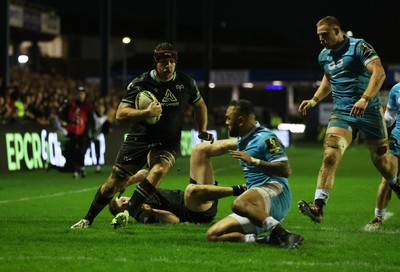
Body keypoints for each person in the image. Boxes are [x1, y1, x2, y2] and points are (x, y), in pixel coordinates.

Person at [71, 42, 213, 229]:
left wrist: (202, 128)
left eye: (171, 61)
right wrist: (146, 112)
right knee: (112, 185)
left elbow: (200, 105)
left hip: (167, 141)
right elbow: (120, 115)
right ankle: (87, 219)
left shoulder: (186, 83)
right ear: (155, 62)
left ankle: (127, 211)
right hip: (139, 139)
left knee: (159, 169)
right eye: (163, 62)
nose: (168, 65)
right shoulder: (140, 83)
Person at [297, 16, 398, 223]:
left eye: (324, 35)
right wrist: (315, 100)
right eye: (318, 36)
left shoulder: (359, 47)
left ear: (337, 31)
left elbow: (378, 73)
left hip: (369, 111)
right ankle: (318, 206)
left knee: (383, 164)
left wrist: (364, 98)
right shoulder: (324, 56)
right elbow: (328, 78)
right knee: (330, 154)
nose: (321, 39)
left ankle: (396, 184)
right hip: (342, 112)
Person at [206, 100, 303, 249]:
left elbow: (286, 170)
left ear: (240, 121)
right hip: (258, 203)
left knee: (239, 203)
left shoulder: (267, 139)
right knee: (213, 235)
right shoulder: (242, 140)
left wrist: (254, 161)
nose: (226, 122)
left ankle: (284, 234)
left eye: (228, 118)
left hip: (276, 191)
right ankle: (268, 240)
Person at [109, 139, 246, 224]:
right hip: (195, 211)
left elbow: (146, 174)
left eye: (122, 199)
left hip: (201, 199)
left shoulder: (139, 194)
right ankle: (242, 189)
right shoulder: (140, 214)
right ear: (122, 212)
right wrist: (151, 210)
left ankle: (248, 140)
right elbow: (175, 220)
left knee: (200, 149)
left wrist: (127, 182)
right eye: (123, 205)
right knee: (191, 189)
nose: (126, 201)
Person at [365, 82, 400, 230]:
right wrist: (377, 121)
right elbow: (390, 117)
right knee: (388, 177)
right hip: (398, 138)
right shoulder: (396, 89)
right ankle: (378, 217)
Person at [59, 86, 93, 179]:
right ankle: (75, 169)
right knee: (71, 151)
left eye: (82, 94)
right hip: (72, 132)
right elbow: (62, 115)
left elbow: (90, 120)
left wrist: (90, 132)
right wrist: (69, 121)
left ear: (85, 95)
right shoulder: (71, 105)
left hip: (83, 133)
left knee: (81, 151)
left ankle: (81, 167)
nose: (81, 96)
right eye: (79, 94)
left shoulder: (88, 107)